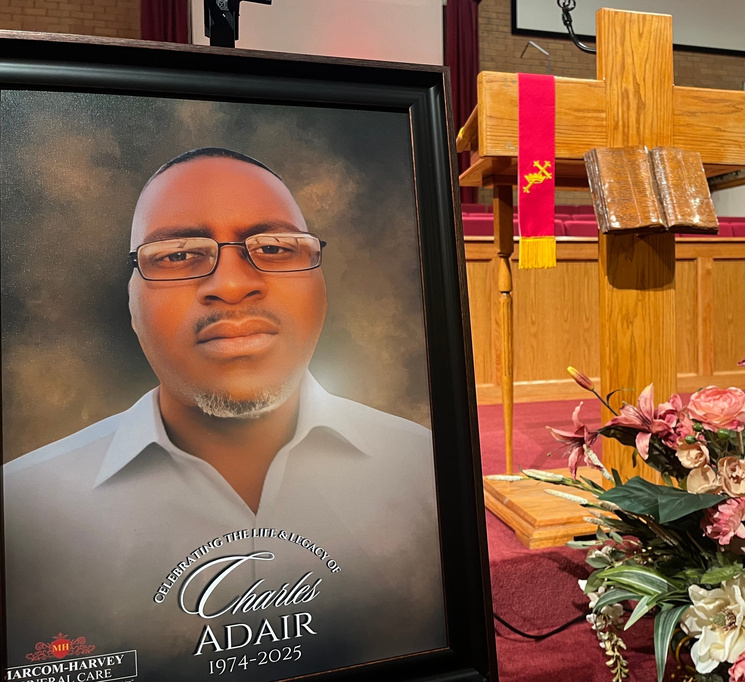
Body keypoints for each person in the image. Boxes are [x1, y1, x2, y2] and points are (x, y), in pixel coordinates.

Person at [3, 148, 446, 681]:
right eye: (176, 256)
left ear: (321, 285)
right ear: (131, 302)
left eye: (277, 247)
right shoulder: (22, 512)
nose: (232, 285)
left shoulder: (424, 469)